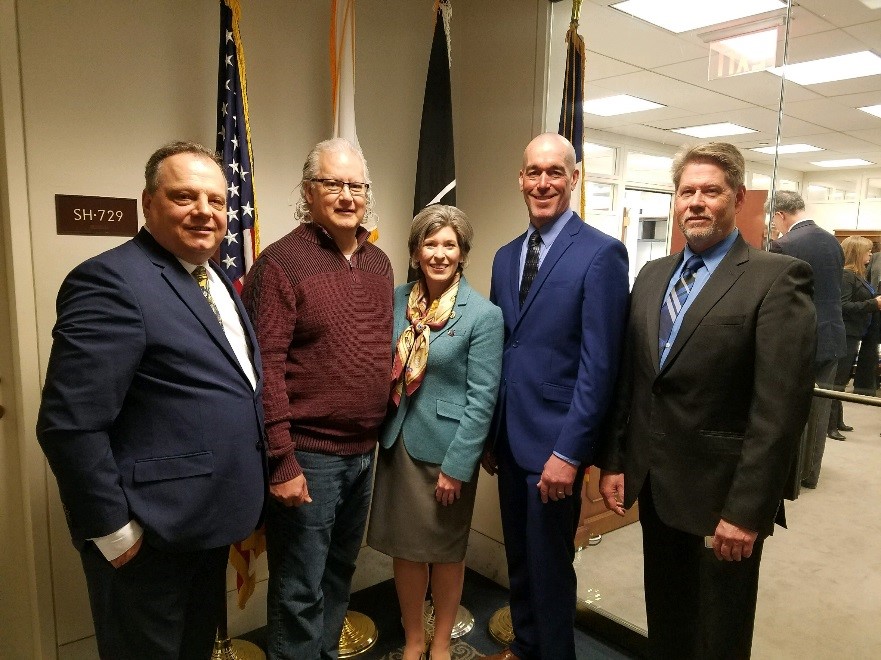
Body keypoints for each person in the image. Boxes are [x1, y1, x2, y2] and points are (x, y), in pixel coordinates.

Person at [36, 141, 266, 659]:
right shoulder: (112, 281)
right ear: (148, 203)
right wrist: (116, 534)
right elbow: (68, 425)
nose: (204, 211)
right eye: (185, 196)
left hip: (206, 525)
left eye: (216, 199)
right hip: (149, 536)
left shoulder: (215, 280)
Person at [597, 142, 816, 659]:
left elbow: (779, 412)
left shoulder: (777, 278)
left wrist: (747, 510)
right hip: (655, 487)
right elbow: (633, 380)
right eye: (686, 191)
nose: (696, 201)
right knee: (668, 622)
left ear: (737, 198)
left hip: (723, 499)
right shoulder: (652, 276)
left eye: (710, 191)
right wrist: (615, 460)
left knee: (718, 635)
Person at [242, 138, 393, 660]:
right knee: (299, 585)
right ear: (309, 192)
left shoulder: (379, 263)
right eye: (333, 184)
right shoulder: (282, 263)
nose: (347, 195)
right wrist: (281, 460)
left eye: (356, 185)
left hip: (362, 453)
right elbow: (266, 370)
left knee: (338, 574)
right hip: (308, 455)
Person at [482, 133, 629, 660]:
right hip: (510, 439)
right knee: (519, 560)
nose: (542, 182)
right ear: (520, 179)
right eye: (532, 172)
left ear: (575, 177)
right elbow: (504, 349)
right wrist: (491, 435)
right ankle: (524, 647)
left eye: (554, 172)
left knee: (549, 569)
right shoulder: (504, 257)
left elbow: (600, 367)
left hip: (555, 448)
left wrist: (569, 453)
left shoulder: (601, 253)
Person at [367, 205, 503, 660]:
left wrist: (458, 467)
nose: (439, 254)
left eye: (449, 245)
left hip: (447, 453)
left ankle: (441, 642)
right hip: (397, 444)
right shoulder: (395, 299)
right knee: (406, 551)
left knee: (445, 551)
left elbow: (483, 399)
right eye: (430, 244)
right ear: (415, 251)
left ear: (463, 253)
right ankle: (412, 639)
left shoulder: (483, 315)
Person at [767, 190, 846, 486]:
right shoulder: (832, 242)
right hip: (832, 336)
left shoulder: (784, 245)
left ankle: (791, 476)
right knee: (820, 408)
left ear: (780, 214)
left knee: (791, 408)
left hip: (799, 339)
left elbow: (779, 300)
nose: (775, 228)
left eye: (774, 221)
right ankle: (810, 473)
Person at [829, 237, 881, 431]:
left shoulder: (859, 275)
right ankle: (830, 424)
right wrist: (873, 304)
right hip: (845, 333)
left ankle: (836, 420)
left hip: (855, 332)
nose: (870, 254)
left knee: (842, 379)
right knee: (838, 380)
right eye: (867, 251)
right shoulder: (846, 276)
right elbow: (842, 306)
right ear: (857, 253)